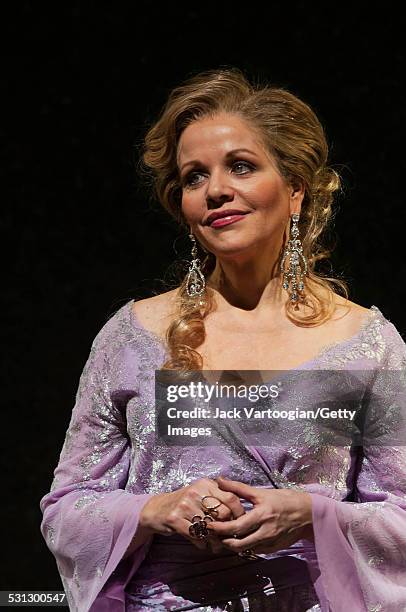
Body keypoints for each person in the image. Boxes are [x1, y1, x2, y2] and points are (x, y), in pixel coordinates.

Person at [40, 68, 406, 611]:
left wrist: (311, 513)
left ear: (296, 189)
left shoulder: (367, 344)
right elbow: (66, 507)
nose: (215, 190)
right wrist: (154, 510)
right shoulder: (134, 336)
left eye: (241, 166)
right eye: (193, 177)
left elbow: (400, 515)